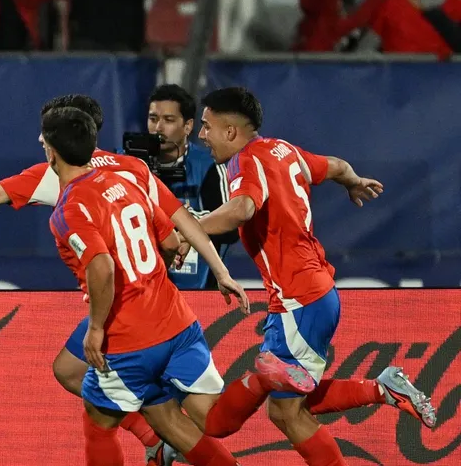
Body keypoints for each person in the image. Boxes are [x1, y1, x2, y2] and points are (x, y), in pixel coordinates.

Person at [0, 94, 236, 464]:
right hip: (169, 311)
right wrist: (206, 266)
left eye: (44, 137)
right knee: (71, 371)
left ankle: (152, 431)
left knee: (103, 412)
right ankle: (163, 435)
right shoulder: (131, 169)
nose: (41, 142)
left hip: (121, 322)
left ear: (54, 145)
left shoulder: (57, 186)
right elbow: (172, 234)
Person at [181, 87, 437, 464]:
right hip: (313, 295)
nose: (201, 136)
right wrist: (351, 180)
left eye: (206, 126)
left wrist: (193, 225)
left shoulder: (245, 161)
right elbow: (333, 164)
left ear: (231, 131)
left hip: (297, 301)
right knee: (286, 409)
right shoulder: (282, 149)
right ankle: (382, 389)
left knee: (278, 413)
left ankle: (285, 378)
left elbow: (242, 209)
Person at [39, 106, 258, 466]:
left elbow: (102, 267)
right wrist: (219, 270)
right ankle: (261, 383)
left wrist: (95, 330)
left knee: (99, 422)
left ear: (51, 151)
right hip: (178, 325)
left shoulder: (69, 210)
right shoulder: (127, 177)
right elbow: (173, 238)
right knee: (206, 418)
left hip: (128, 341)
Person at [144, 84, 238, 289]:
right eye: (153, 119)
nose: (158, 128)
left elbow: (232, 230)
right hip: (144, 292)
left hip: (199, 293)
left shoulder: (209, 167)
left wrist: (187, 227)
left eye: (168, 120)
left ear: (187, 126)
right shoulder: (131, 165)